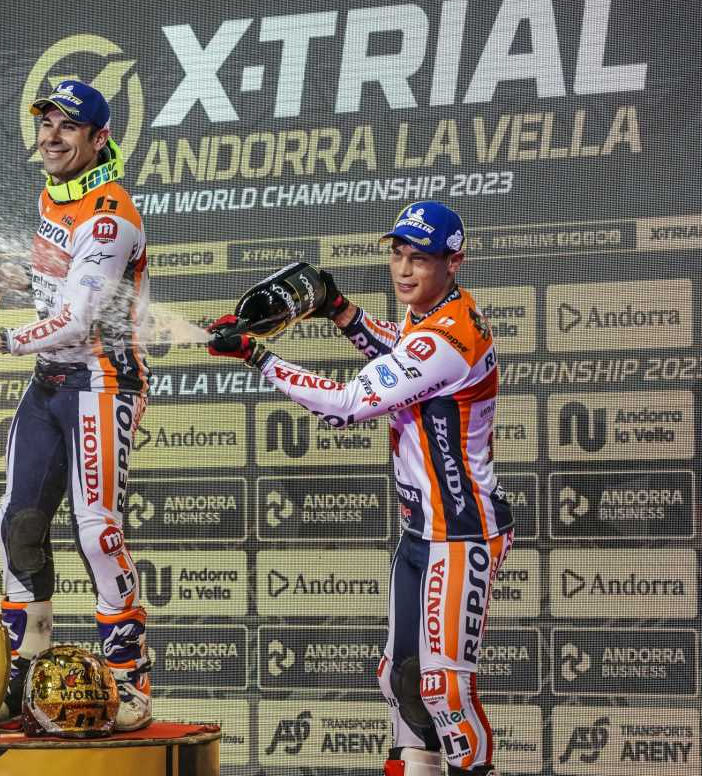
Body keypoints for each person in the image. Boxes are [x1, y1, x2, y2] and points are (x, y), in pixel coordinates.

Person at [207, 202, 515, 776]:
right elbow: (398, 350)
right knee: (400, 679)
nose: (404, 269)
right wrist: (338, 309)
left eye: (420, 258)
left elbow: (347, 405)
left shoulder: (449, 337)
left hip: (462, 532)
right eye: (397, 254)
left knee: (444, 688)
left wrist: (259, 356)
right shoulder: (432, 315)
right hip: (421, 531)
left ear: (454, 263)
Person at [0, 79, 153, 731]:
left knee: (96, 531)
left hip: (102, 381)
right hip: (50, 381)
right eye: (45, 123)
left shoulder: (111, 216)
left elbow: (77, 319)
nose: (52, 137)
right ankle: (24, 669)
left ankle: (130, 677)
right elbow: (56, 284)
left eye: (68, 126)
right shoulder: (52, 197)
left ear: (99, 138)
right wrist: (2, 278)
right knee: (17, 522)